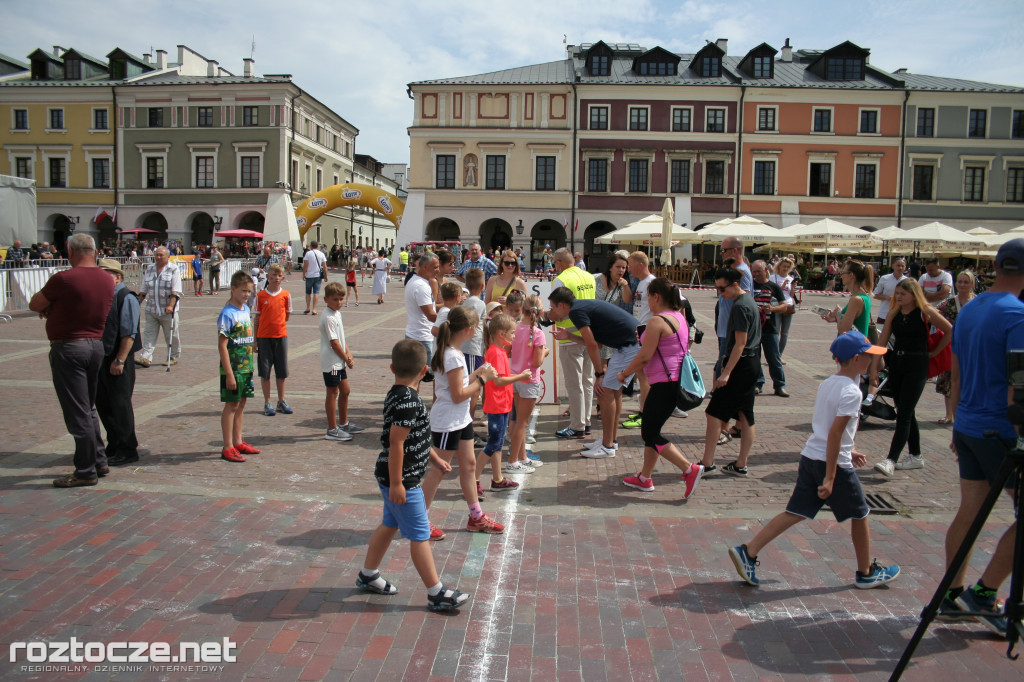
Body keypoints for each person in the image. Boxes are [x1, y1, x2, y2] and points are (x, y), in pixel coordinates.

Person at [728, 330, 900, 589]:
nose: (874, 361)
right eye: (869, 356)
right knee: (861, 513)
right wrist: (831, 476)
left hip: (812, 456)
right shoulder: (853, 392)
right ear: (855, 360)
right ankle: (866, 572)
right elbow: (834, 433)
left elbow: (827, 428)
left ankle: (748, 551)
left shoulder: (829, 383)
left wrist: (848, 450)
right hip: (831, 463)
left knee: (795, 511)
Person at [939, 238, 1024, 632]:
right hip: (1001, 430)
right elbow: (1017, 389)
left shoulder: (971, 309)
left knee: (970, 510)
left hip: (970, 423)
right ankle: (985, 592)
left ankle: (952, 593)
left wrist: (956, 421)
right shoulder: (1018, 316)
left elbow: (954, 373)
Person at [356, 339, 471, 612]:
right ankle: (436, 592)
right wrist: (397, 483)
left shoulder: (398, 394)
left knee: (389, 524)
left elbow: (413, 439)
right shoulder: (409, 401)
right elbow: (397, 443)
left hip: (396, 475)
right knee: (420, 536)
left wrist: (435, 459)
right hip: (403, 480)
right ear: (424, 371)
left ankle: (368, 574)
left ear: (392, 367)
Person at [29, 234, 114, 487]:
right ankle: (99, 459)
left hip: (69, 347)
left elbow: (35, 304)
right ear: (95, 251)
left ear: (71, 252)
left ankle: (85, 470)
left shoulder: (63, 278)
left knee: (78, 412)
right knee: (88, 407)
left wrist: (51, 309)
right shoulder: (106, 279)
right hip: (95, 345)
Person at [616, 278, 704, 497]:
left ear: (656, 297)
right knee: (652, 430)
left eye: (648, 298)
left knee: (651, 433)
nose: (648, 304)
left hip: (664, 384)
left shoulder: (657, 321)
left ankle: (688, 468)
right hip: (673, 382)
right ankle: (645, 478)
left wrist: (625, 373)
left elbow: (645, 356)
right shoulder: (679, 317)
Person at [420, 306, 501, 535]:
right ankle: (421, 519)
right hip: (448, 421)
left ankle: (476, 517)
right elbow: (458, 395)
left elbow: (460, 384)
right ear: (468, 330)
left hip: (460, 419)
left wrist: (477, 374)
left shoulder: (450, 351)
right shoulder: (452, 355)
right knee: (439, 470)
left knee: (469, 466)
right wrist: (483, 380)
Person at [546, 287, 639, 459]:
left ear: (561, 305)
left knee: (605, 392)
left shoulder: (576, 312)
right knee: (614, 392)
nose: (552, 311)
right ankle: (611, 440)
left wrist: (599, 375)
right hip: (629, 343)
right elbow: (598, 343)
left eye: (552, 307)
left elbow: (593, 346)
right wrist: (569, 335)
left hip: (630, 345)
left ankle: (607, 446)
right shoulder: (581, 307)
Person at [873, 278, 952, 477]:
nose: (898, 297)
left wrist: (935, 352)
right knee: (905, 411)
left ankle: (891, 459)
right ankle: (916, 455)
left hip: (917, 365)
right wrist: (874, 367)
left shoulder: (925, 311)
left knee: (905, 413)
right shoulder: (894, 313)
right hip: (898, 364)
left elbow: (950, 329)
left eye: (903, 294)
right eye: (897, 293)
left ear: (913, 294)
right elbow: (882, 342)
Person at [700, 267, 760, 476]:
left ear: (735, 285)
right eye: (717, 289)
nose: (720, 293)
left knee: (714, 412)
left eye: (722, 289)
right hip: (750, 363)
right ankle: (741, 463)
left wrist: (726, 372)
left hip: (741, 365)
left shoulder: (741, 306)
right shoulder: (747, 301)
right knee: (745, 414)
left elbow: (740, 344)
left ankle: (707, 463)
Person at [476, 313, 532, 491]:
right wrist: (520, 376)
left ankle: (497, 478)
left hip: (500, 404)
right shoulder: (496, 353)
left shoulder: (496, 351)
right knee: (493, 444)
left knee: (497, 443)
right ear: (501, 334)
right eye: (512, 333)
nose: (514, 336)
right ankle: (474, 479)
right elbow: (498, 380)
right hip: (497, 405)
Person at [95, 258, 142, 467]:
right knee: (104, 404)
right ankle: (113, 443)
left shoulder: (125, 297)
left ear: (117, 277)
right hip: (102, 357)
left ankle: (127, 448)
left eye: (104, 274)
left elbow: (129, 333)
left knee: (120, 404)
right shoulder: (103, 296)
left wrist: (120, 359)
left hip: (118, 357)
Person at [550, 248, 597, 440]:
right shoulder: (589, 277)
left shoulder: (561, 280)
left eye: (555, 264)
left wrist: (545, 316)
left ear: (560, 262)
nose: (554, 267)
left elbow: (558, 309)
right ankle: (585, 422)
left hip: (569, 336)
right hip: (589, 334)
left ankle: (577, 425)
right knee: (587, 381)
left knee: (574, 383)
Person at [217, 270, 260, 463]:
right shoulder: (227, 314)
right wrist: (229, 374)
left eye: (249, 291)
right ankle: (227, 446)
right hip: (233, 368)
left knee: (241, 404)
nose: (246, 295)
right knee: (232, 405)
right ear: (233, 289)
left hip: (246, 366)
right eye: (243, 291)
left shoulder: (245, 310)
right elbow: (222, 345)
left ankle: (238, 440)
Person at [508, 294, 549, 469]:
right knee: (522, 423)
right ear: (539, 313)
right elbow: (537, 362)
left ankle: (522, 457)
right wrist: (545, 351)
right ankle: (512, 461)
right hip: (530, 379)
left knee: (519, 421)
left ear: (522, 310)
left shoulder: (514, 328)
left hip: (515, 377)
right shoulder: (538, 333)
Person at [320, 282, 362, 441]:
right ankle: (332, 428)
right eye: (335, 299)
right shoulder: (328, 316)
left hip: (339, 360)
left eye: (341, 299)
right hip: (331, 361)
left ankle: (344, 423)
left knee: (345, 391)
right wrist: (346, 357)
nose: (338, 303)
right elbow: (334, 342)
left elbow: (341, 339)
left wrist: (348, 353)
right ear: (326, 299)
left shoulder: (337, 314)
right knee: (332, 392)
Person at [621, 251, 657, 430]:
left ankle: (646, 413)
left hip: (647, 331)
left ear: (640, 264)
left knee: (644, 375)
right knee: (642, 375)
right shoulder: (641, 283)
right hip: (640, 331)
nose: (628, 268)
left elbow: (673, 304)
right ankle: (644, 410)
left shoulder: (651, 282)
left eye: (630, 264)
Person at [935, 270, 976, 425]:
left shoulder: (977, 301)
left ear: (972, 284)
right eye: (960, 281)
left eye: (966, 282)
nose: (962, 285)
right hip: (953, 345)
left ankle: (966, 413)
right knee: (949, 379)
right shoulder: (950, 302)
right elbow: (935, 312)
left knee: (969, 379)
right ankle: (949, 414)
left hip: (972, 346)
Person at [253, 263, 293, 417]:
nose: (276, 278)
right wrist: (255, 340)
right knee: (265, 371)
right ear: (268, 277)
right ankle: (267, 401)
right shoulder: (260, 296)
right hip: (264, 337)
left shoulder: (286, 295)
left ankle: (281, 400)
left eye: (279, 275)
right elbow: (257, 319)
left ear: (282, 278)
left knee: (281, 371)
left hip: (280, 336)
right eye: (273, 275)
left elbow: (286, 316)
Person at [135, 246, 182, 368]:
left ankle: (173, 356)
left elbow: (175, 290)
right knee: (149, 333)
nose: (158, 257)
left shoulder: (173, 269)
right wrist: (136, 304)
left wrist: (171, 305)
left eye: (161, 255)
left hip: (167, 310)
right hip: (152, 308)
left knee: (172, 335)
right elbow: (144, 289)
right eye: (157, 255)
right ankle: (146, 357)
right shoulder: (150, 269)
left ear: (168, 256)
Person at [751, 260, 790, 397]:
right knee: (755, 358)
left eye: (758, 272)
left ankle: (780, 385)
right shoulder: (750, 286)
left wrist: (772, 308)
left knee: (774, 358)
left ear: (766, 270)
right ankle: (758, 383)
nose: (756, 275)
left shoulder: (774, 287)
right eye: (754, 272)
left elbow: (784, 306)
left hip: (770, 328)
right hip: (754, 329)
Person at [405, 252, 439, 382]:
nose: (438, 270)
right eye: (435, 267)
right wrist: (451, 319)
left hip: (415, 333)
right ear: (424, 267)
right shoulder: (421, 286)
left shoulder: (415, 281)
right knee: (426, 376)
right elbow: (430, 315)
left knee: (415, 376)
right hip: (422, 336)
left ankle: (414, 401)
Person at [768, 257, 796, 360]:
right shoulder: (773, 278)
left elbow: (791, 294)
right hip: (777, 306)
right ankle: (774, 355)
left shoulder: (791, 278)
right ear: (779, 266)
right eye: (784, 266)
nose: (785, 268)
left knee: (784, 333)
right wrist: (783, 285)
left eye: (788, 267)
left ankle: (779, 355)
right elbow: (773, 292)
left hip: (788, 305)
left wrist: (793, 288)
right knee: (775, 330)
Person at [872, 258, 907, 329]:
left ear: (905, 267)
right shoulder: (885, 278)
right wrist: (887, 297)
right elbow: (875, 295)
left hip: (901, 315)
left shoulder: (907, 281)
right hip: (884, 314)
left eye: (902, 266)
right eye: (898, 265)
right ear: (893, 266)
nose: (900, 268)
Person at [302, 240, 328, 315]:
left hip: (309, 275)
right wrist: (326, 276)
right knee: (316, 292)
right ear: (317, 246)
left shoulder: (308, 253)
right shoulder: (321, 254)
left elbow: (305, 265)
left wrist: (304, 274)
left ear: (311, 246)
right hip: (318, 275)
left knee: (308, 292)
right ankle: (314, 309)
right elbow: (325, 266)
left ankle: (307, 308)